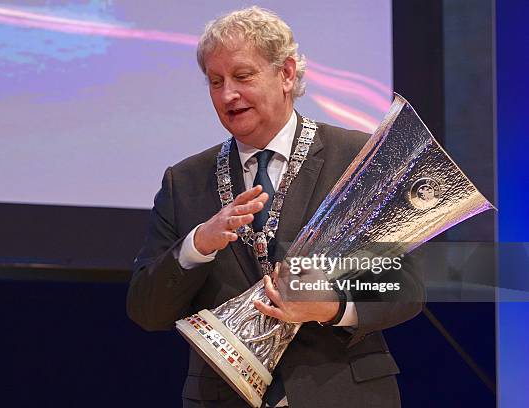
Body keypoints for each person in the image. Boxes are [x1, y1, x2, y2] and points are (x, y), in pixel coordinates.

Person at [127, 6, 423, 408]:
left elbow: (403, 288)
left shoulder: (357, 158)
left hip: (344, 394)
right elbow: (147, 310)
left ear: (285, 73)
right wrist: (197, 244)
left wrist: (332, 307)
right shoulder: (185, 181)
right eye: (216, 81)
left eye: (242, 76)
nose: (227, 94)